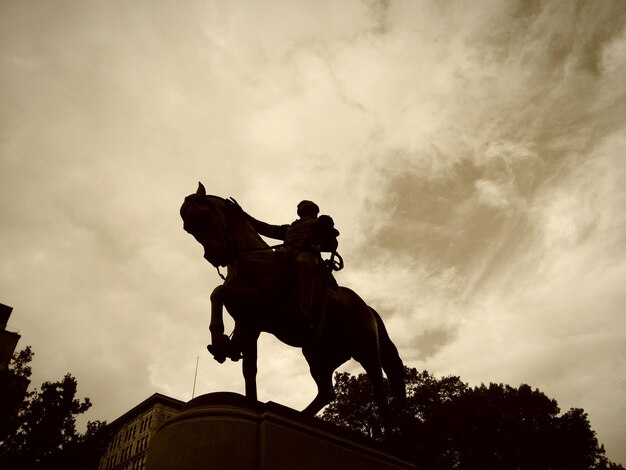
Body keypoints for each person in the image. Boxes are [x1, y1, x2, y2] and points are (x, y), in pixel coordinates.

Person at [231, 199, 339, 329]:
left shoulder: (318, 223)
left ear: (313, 210)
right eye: (299, 205)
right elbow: (265, 228)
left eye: (304, 204)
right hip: (285, 256)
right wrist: (242, 213)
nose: (300, 206)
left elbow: (332, 243)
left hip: (307, 255)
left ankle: (305, 312)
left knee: (303, 262)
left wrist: (315, 246)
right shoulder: (290, 228)